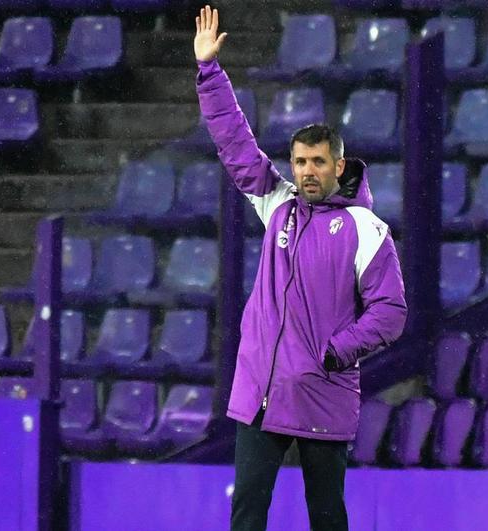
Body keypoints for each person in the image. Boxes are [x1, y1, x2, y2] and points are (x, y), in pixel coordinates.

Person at [193, 6, 407, 530]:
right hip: (261, 392)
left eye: (317, 162)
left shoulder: (365, 229)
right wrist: (209, 72)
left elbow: (391, 312)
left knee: (328, 518)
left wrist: (335, 352)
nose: (306, 172)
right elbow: (235, 144)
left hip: (322, 392)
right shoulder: (278, 204)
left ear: (339, 164)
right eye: (299, 161)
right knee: (246, 513)